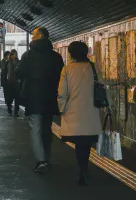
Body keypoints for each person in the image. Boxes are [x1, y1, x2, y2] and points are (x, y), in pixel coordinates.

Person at [16, 27, 64, 172]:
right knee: (46, 128)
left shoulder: (28, 55)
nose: (31, 38)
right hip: (50, 96)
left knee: (35, 127)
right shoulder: (56, 57)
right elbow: (61, 75)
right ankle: (47, 158)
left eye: (34, 35)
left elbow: (19, 72)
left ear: (40, 36)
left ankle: (41, 160)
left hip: (33, 97)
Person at [58, 41, 102, 185]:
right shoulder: (93, 68)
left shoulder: (66, 69)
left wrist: (61, 109)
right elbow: (101, 87)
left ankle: (82, 169)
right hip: (91, 111)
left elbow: (62, 94)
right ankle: (84, 168)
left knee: (78, 143)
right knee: (86, 142)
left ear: (70, 54)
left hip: (73, 111)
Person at [2, 50, 20, 116]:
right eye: (13, 54)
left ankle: (16, 111)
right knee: (10, 97)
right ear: (11, 55)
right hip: (9, 83)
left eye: (15, 54)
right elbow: (4, 72)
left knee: (17, 98)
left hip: (16, 82)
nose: (14, 56)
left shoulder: (19, 62)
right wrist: (4, 81)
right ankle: (9, 107)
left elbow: (21, 71)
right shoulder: (8, 62)